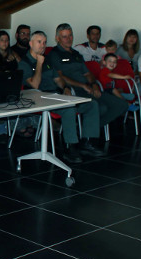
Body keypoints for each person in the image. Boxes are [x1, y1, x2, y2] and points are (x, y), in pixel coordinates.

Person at [19, 31, 104, 163]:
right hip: (37, 98)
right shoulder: (25, 62)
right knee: (68, 109)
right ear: (31, 43)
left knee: (91, 104)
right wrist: (39, 64)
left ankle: (88, 142)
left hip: (55, 95)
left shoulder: (46, 59)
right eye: (39, 42)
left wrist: (65, 88)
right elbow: (34, 84)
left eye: (44, 42)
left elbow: (58, 78)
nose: (42, 45)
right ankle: (70, 148)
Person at [47, 23, 127, 141]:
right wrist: (83, 85)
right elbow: (60, 76)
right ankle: (88, 138)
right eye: (64, 36)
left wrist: (94, 85)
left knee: (122, 105)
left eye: (70, 35)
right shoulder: (54, 54)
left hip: (88, 88)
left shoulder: (76, 54)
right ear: (57, 38)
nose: (69, 39)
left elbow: (87, 73)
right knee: (100, 107)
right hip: (73, 90)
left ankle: (87, 128)